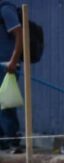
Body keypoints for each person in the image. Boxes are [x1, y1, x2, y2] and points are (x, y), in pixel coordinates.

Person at [0, 0, 21, 153]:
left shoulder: (6, 9)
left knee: (6, 104)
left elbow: (19, 34)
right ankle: (2, 142)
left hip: (7, 66)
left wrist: (13, 61)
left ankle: (12, 141)